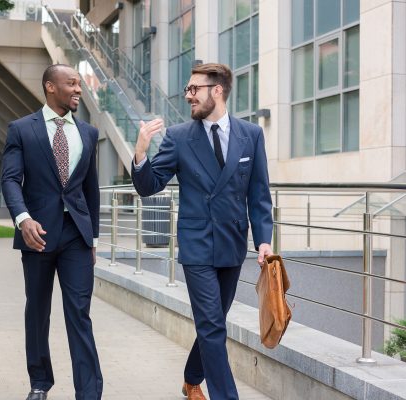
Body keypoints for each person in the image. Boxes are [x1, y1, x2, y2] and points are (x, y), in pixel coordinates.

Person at [131, 63, 273, 400]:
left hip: (232, 243)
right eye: (188, 89)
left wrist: (264, 240)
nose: (188, 96)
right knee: (211, 325)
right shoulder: (179, 137)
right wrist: (140, 151)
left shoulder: (250, 135)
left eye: (195, 89)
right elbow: (149, 186)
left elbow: (259, 194)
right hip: (196, 245)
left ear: (217, 90)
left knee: (215, 321)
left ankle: (192, 379)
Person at [1, 64, 102, 400]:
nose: (78, 89)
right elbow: (10, 179)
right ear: (50, 87)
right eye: (71, 83)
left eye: (79, 84)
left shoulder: (88, 133)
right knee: (38, 310)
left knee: (79, 313)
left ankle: (89, 392)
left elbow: (91, 189)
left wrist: (93, 238)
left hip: (76, 236)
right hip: (38, 234)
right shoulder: (21, 129)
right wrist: (22, 218)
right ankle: (40, 382)